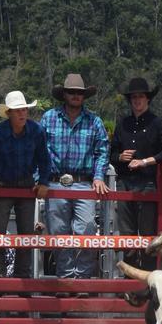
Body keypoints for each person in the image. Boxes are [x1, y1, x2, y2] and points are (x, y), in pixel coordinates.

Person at [0, 90, 51, 279]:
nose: (22, 113)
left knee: (25, 235)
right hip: (3, 185)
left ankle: (22, 278)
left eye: (24, 109)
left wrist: (43, 182)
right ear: (9, 113)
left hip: (26, 184)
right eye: (17, 110)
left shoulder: (36, 131)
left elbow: (45, 159)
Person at [40, 73, 109, 279]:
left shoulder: (94, 121)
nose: (76, 96)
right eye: (71, 92)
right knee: (58, 232)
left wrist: (98, 177)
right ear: (64, 95)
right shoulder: (48, 118)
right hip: (55, 181)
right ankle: (65, 279)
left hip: (83, 183)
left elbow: (103, 150)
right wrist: (40, 178)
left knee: (87, 229)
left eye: (79, 93)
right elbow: (39, 149)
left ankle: (83, 279)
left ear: (84, 96)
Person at [109, 77, 162, 268]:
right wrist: (120, 157)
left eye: (141, 97)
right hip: (124, 183)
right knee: (127, 233)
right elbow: (110, 153)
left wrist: (146, 161)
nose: (137, 100)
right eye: (134, 97)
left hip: (148, 183)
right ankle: (129, 277)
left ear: (148, 99)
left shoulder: (158, 124)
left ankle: (147, 277)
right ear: (130, 101)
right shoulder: (122, 124)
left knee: (148, 233)